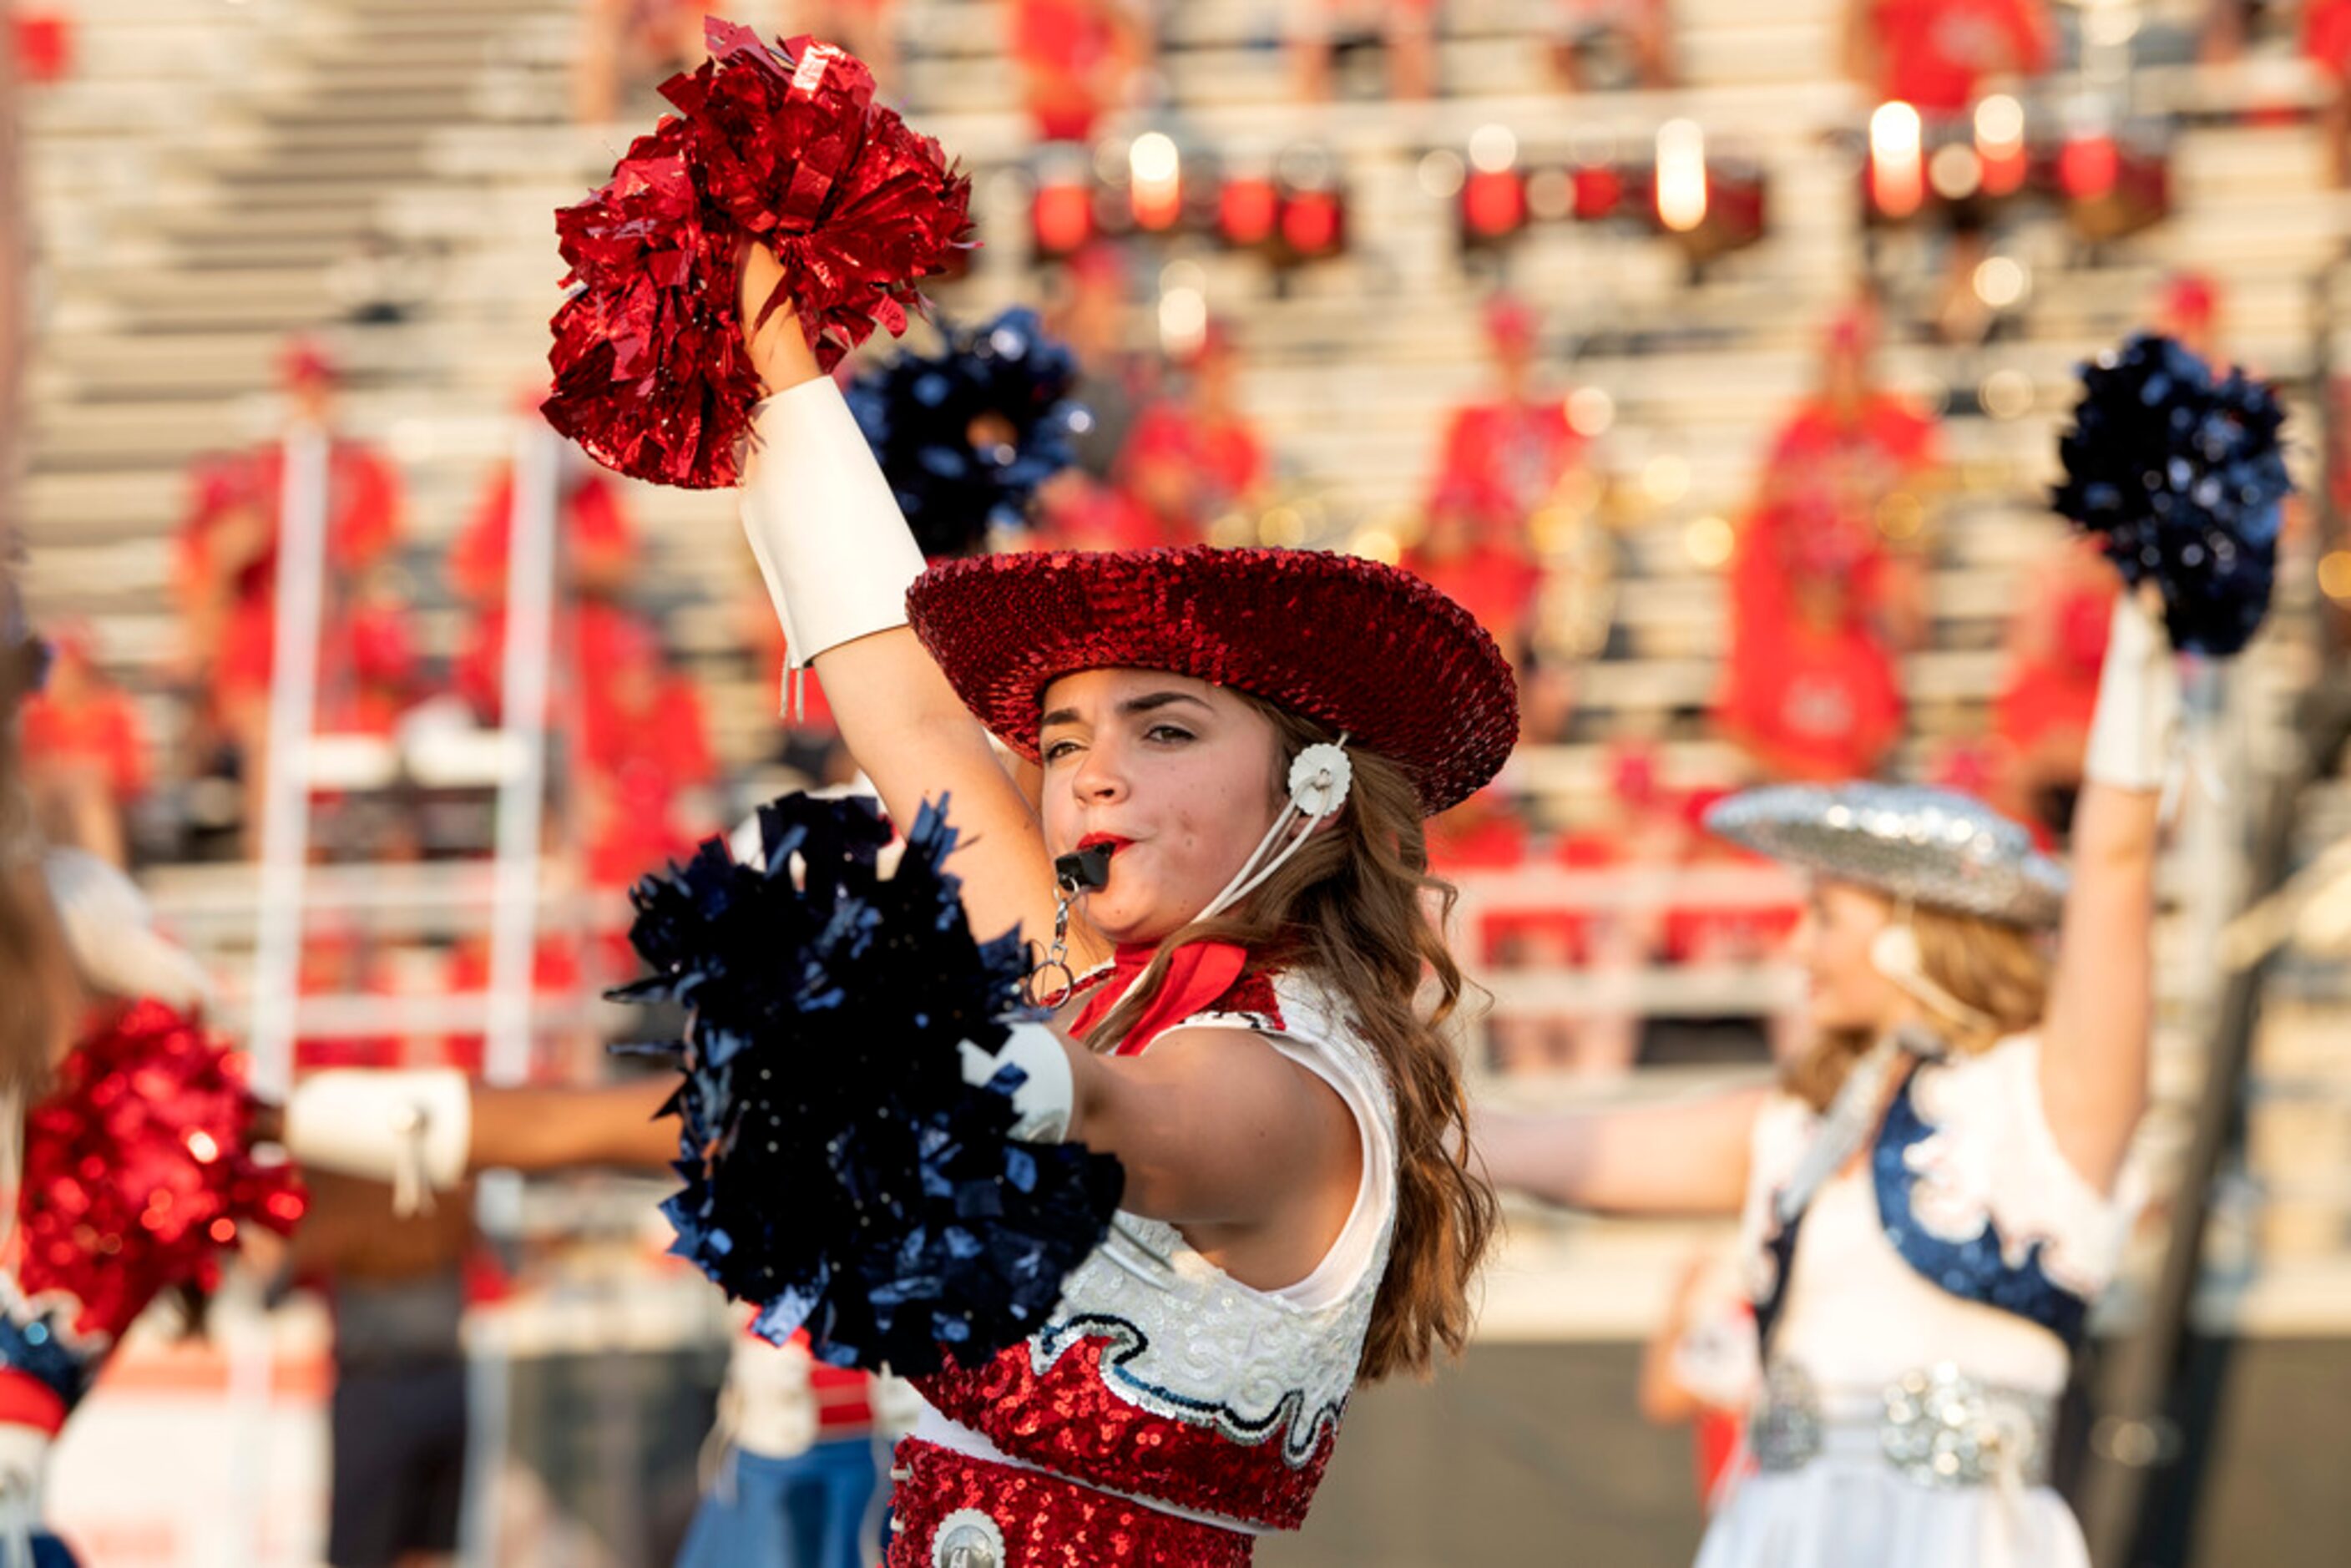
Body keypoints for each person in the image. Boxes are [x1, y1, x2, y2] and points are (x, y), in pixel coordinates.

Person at [713, 240, 1510, 1564]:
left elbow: (1122, 1109)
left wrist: (922, 1047)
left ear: (1310, 790)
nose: (1092, 777)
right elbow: (910, 715)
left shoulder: (1297, 1083)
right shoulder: (1093, 982)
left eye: (1167, 732)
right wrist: (771, 354)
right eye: (1068, 739)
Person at [1478, 567, 2173, 1563]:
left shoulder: (2047, 1100)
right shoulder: (1800, 1121)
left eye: (1823, 917)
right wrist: (1357, 1084)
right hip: (1774, 1536)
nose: (1794, 948)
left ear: (1913, 935)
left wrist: (2147, 626)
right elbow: (1537, 1149)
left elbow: (2113, 867)